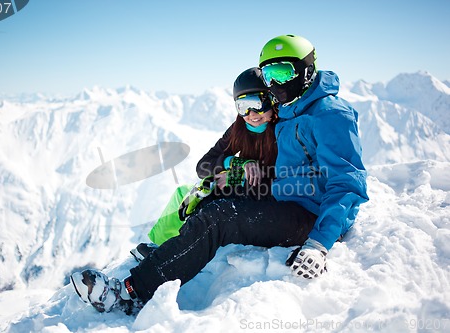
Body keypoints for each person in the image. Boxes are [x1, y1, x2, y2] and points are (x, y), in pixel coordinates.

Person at [71, 34, 369, 315]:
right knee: (212, 194)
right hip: (286, 198)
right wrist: (234, 175)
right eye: (269, 76)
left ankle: (129, 293)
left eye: (282, 72)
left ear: (305, 70)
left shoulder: (329, 114)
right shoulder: (291, 109)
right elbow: (281, 170)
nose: (275, 84)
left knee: (220, 217)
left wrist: (319, 244)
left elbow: (347, 183)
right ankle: (169, 255)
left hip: (311, 217)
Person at [137, 67, 278, 253]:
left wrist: (237, 178)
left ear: (271, 100)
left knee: (202, 200)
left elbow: (283, 173)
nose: (251, 114)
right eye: (243, 107)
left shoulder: (281, 130)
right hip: (241, 189)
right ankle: (160, 247)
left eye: (257, 103)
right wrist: (236, 164)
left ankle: (177, 250)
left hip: (266, 196)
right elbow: (203, 165)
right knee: (184, 193)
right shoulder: (238, 129)